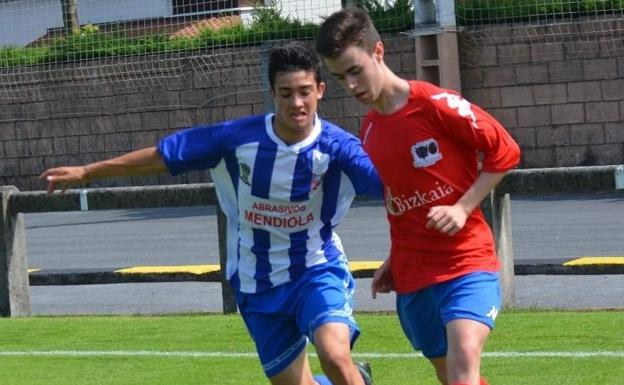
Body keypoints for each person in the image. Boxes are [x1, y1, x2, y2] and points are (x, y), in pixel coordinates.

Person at [40, 41, 380, 385]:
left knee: (335, 358)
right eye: (286, 93)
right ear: (272, 93)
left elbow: (388, 184)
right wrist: (87, 172)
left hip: (315, 269)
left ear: (320, 91)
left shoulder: (339, 147)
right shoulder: (236, 138)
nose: (296, 103)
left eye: (305, 92)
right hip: (256, 282)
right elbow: (164, 156)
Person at [316, 8, 521, 385]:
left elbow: (505, 150)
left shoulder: (434, 104)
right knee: (453, 377)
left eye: (355, 70)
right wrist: (394, 259)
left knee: (462, 372)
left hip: (466, 263)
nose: (350, 84)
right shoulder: (369, 131)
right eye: (339, 77)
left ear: (378, 51)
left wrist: (463, 207)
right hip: (414, 276)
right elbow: (400, 201)